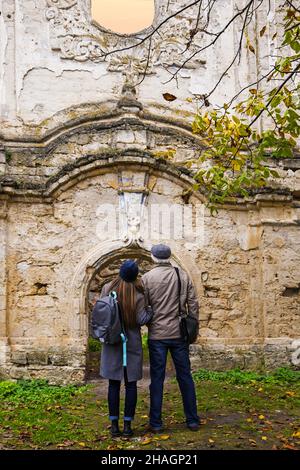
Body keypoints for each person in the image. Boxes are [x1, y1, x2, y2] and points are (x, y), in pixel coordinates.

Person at [142, 244, 200, 432]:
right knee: (185, 376)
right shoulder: (182, 275)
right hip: (178, 333)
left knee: (157, 379)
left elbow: (143, 308)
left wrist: (150, 320)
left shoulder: (147, 278)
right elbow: (193, 303)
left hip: (157, 335)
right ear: (169, 257)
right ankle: (192, 420)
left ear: (153, 258)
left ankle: (156, 423)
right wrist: (192, 323)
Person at [100, 260, 153, 437]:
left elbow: (102, 313)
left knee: (113, 384)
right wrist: (150, 311)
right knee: (131, 385)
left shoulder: (107, 287)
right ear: (135, 276)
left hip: (112, 342)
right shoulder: (138, 294)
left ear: (120, 273)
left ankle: (114, 426)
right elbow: (141, 320)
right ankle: (128, 426)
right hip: (131, 343)